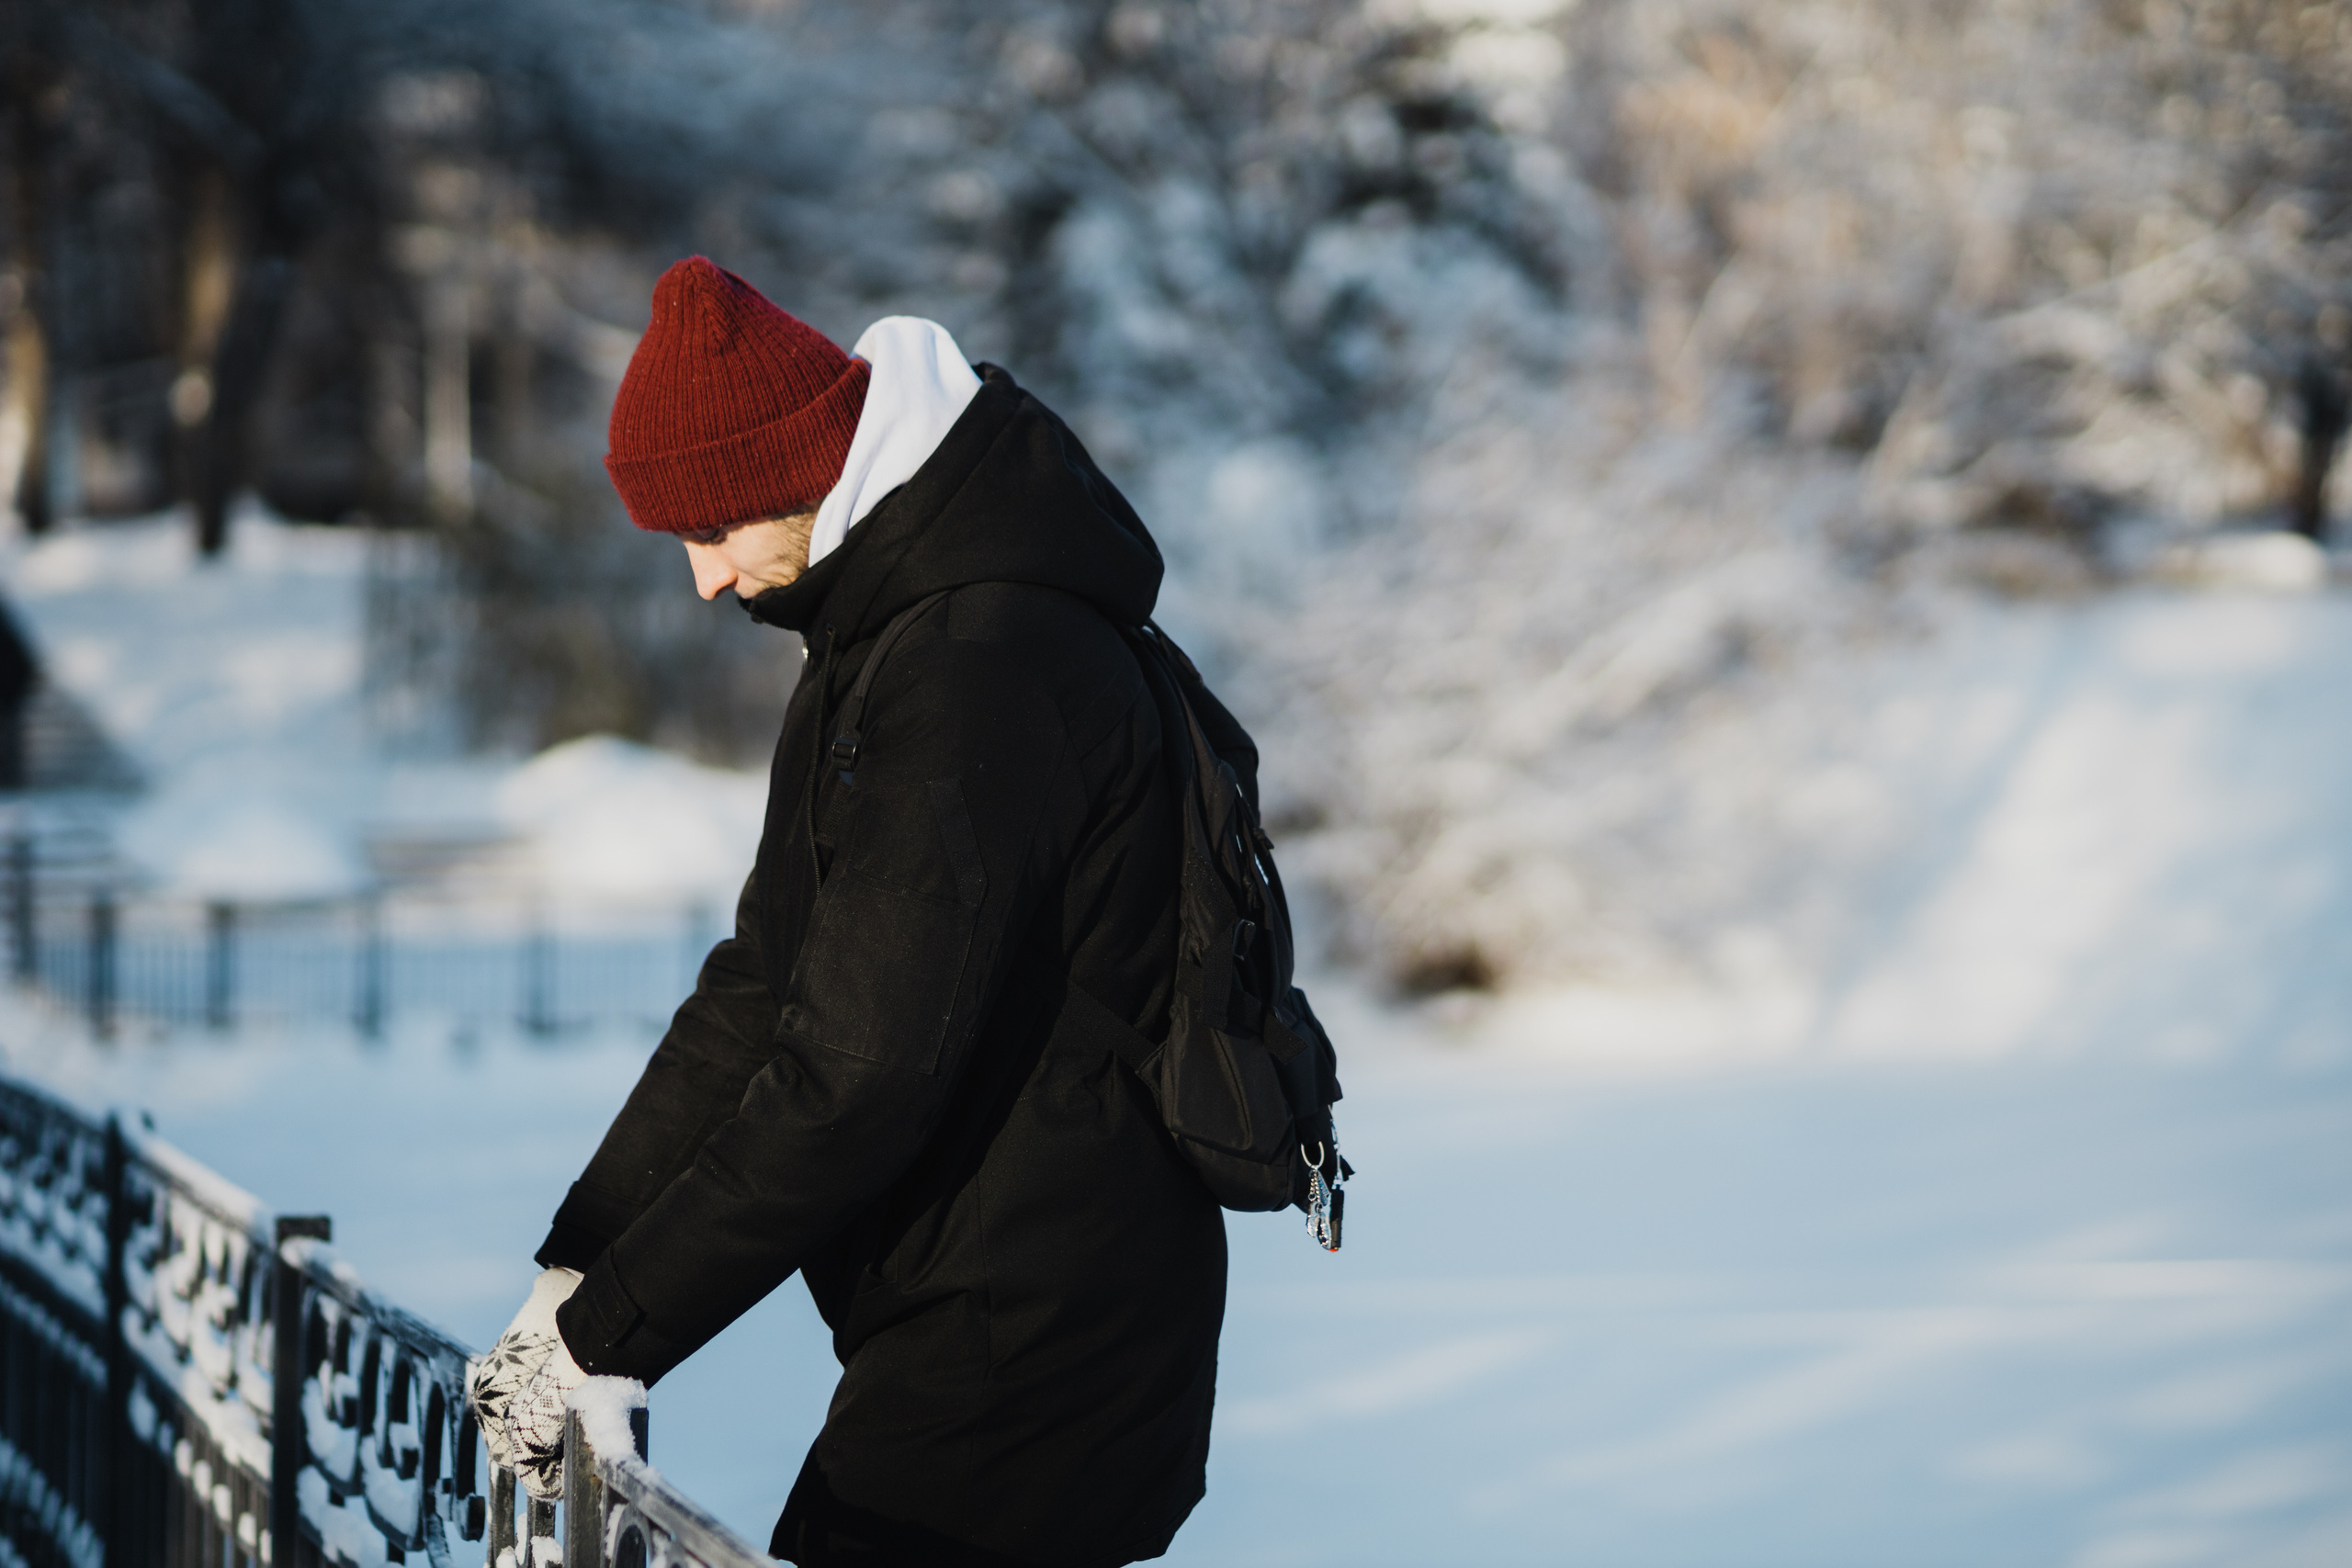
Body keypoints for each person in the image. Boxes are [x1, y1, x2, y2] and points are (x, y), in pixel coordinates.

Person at [467, 257, 1226, 1568]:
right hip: (972, 1309)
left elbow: (855, 1075)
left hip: (1037, 1331)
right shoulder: (884, 636)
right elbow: (761, 989)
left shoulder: (976, 664)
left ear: (803, 471)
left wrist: (610, 1338)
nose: (704, 580)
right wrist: (577, 1270)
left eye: (713, 531)